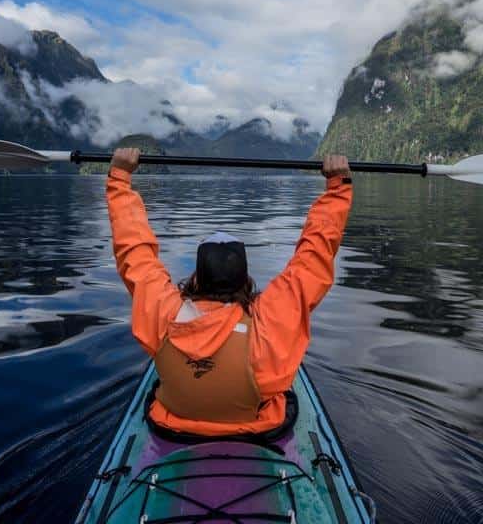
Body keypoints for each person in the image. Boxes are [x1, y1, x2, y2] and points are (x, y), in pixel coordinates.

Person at [106, 147, 353, 437]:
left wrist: (119, 178)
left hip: (174, 425)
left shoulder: (164, 313)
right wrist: (338, 188)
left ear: (196, 279)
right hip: (258, 426)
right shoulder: (269, 321)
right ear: (246, 280)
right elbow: (314, 255)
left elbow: (133, 249)